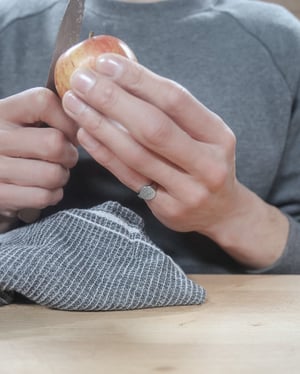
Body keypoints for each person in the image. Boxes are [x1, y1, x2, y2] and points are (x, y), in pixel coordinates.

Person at [0, 0, 300, 274]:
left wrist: (231, 214)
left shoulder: (279, 39)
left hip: (232, 322)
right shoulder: (7, 29)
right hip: (35, 325)